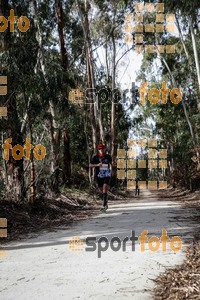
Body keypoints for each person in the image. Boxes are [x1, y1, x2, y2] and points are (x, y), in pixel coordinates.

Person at [89, 144, 112, 211]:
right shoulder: (95, 157)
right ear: (98, 150)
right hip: (99, 175)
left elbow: (111, 163)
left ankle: (104, 204)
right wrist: (97, 165)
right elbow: (90, 165)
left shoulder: (108, 156)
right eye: (99, 149)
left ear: (104, 149)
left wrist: (112, 166)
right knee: (101, 189)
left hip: (107, 174)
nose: (101, 150)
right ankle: (106, 198)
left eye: (102, 148)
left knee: (105, 186)